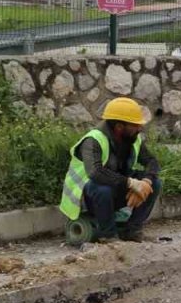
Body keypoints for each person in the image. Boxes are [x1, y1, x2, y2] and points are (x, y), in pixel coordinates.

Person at [59, 97, 161, 241]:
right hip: (87, 198)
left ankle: (132, 230)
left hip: (115, 188)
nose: (140, 128)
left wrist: (145, 182)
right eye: (135, 125)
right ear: (119, 127)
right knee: (102, 188)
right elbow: (96, 173)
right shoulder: (93, 140)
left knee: (155, 183)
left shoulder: (133, 138)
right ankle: (108, 235)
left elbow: (152, 161)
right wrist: (131, 183)